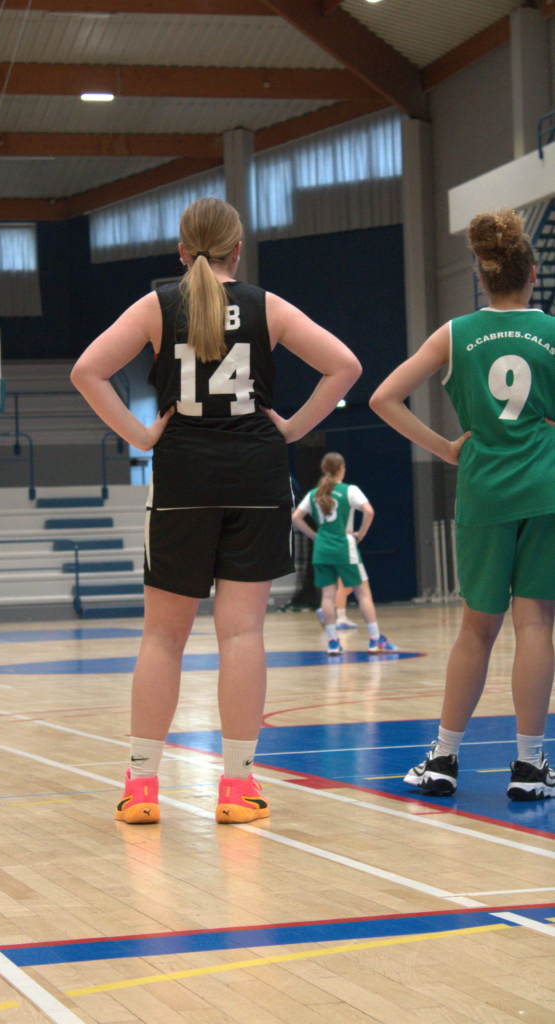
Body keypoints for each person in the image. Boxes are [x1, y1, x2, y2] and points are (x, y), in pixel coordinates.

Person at [71, 197, 361, 824]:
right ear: (239, 249)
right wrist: (292, 428)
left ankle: (141, 787)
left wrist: (141, 434)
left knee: (162, 637)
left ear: (182, 252)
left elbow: (87, 371)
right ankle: (237, 787)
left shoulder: (157, 305)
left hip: (183, 476)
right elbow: (346, 365)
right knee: (242, 634)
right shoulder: (267, 306)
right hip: (256, 475)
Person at [370, 207, 555, 801]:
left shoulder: (455, 333)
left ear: (482, 277)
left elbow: (383, 398)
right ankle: (529, 766)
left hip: (482, 490)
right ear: (533, 276)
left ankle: (445, 758)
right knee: (536, 623)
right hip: (546, 490)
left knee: (477, 627)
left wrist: (447, 448)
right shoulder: (552, 332)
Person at [292, 452, 398, 655]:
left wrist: (314, 536)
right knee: (363, 594)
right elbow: (369, 511)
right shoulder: (350, 490)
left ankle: (333, 642)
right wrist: (361, 534)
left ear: (324, 469)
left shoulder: (314, 493)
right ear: (341, 468)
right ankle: (375, 639)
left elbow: (296, 518)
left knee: (327, 596)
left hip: (322, 549)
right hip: (344, 547)